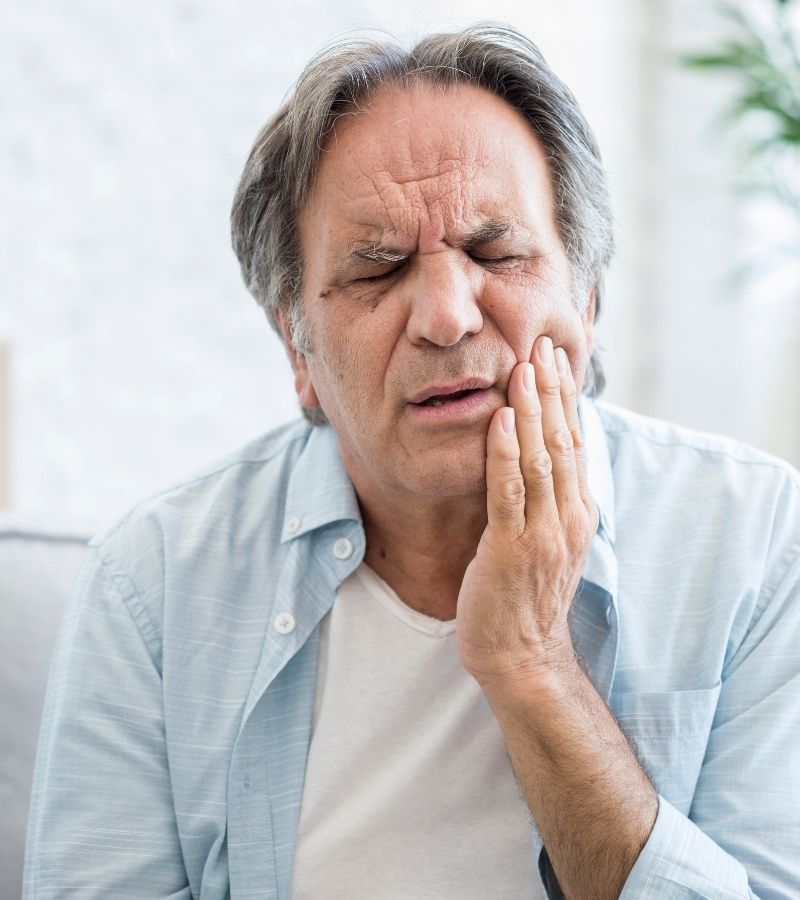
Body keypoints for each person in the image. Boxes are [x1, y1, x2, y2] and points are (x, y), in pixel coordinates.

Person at [23, 22, 800, 900]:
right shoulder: (152, 584)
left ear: (586, 298)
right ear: (297, 350)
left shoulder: (760, 545)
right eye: (378, 268)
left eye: (495, 251)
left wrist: (533, 663)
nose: (444, 315)